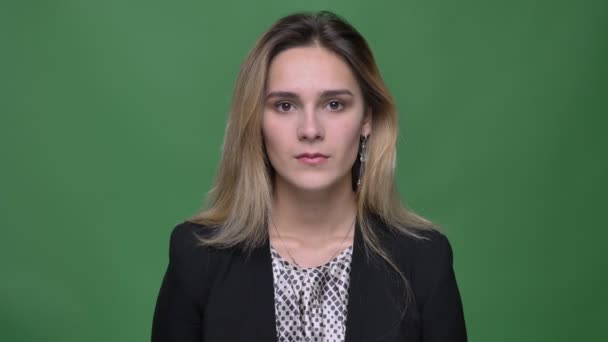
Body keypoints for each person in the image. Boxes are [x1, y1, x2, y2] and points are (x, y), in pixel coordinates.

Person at [151, 10, 467, 342]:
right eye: (285, 105)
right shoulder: (198, 257)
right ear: (256, 120)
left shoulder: (424, 260)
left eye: (334, 104)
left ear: (367, 119)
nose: (310, 130)